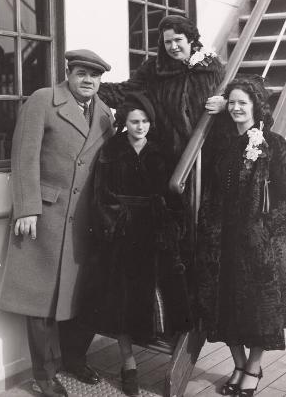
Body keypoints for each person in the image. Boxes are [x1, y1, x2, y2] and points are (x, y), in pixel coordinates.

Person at [0, 50, 115, 397]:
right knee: (41, 299)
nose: (88, 80)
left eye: (95, 75)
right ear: (68, 73)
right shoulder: (43, 101)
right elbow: (24, 156)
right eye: (81, 73)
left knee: (81, 298)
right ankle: (44, 375)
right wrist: (27, 208)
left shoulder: (105, 113)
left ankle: (74, 360)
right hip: (45, 218)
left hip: (84, 223)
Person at [98, 15, 226, 296]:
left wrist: (225, 102)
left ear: (191, 40)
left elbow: (242, 96)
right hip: (170, 161)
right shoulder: (154, 69)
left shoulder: (212, 68)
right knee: (174, 227)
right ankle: (178, 299)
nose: (172, 47)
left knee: (206, 226)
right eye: (167, 42)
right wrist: (95, 87)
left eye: (178, 40)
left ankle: (204, 293)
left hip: (207, 159)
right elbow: (126, 91)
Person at [196, 75, 286, 397]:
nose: (236, 108)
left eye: (243, 102)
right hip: (225, 242)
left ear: (257, 105)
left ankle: (254, 367)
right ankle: (239, 364)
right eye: (231, 103)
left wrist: (266, 231)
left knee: (259, 311)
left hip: (260, 246)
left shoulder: (274, 145)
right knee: (225, 307)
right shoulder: (225, 146)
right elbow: (214, 194)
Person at [81, 92, 192, 396]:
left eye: (144, 121)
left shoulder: (162, 152)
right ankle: (128, 363)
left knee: (165, 299)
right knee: (121, 304)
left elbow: (174, 196)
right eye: (134, 121)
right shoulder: (111, 151)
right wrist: (114, 225)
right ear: (124, 123)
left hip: (156, 233)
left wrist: (172, 226)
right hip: (122, 236)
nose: (140, 126)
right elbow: (100, 196)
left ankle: (166, 357)